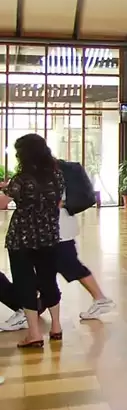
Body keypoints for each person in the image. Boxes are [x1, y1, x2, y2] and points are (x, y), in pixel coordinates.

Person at [0, 177, 116, 333]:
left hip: (50, 231)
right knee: (57, 268)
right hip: (54, 229)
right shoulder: (52, 172)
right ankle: (38, 311)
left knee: (62, 267)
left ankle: (30, 310)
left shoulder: (31, 175)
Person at [3, 134, 64, 349]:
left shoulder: (21, 179)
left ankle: (35, 334)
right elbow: (57, 202)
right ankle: (56, 327)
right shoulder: (56, 176)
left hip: (22, 238)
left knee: (25, 283)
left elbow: (4, 202)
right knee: (49, 280)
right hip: (48, 235)